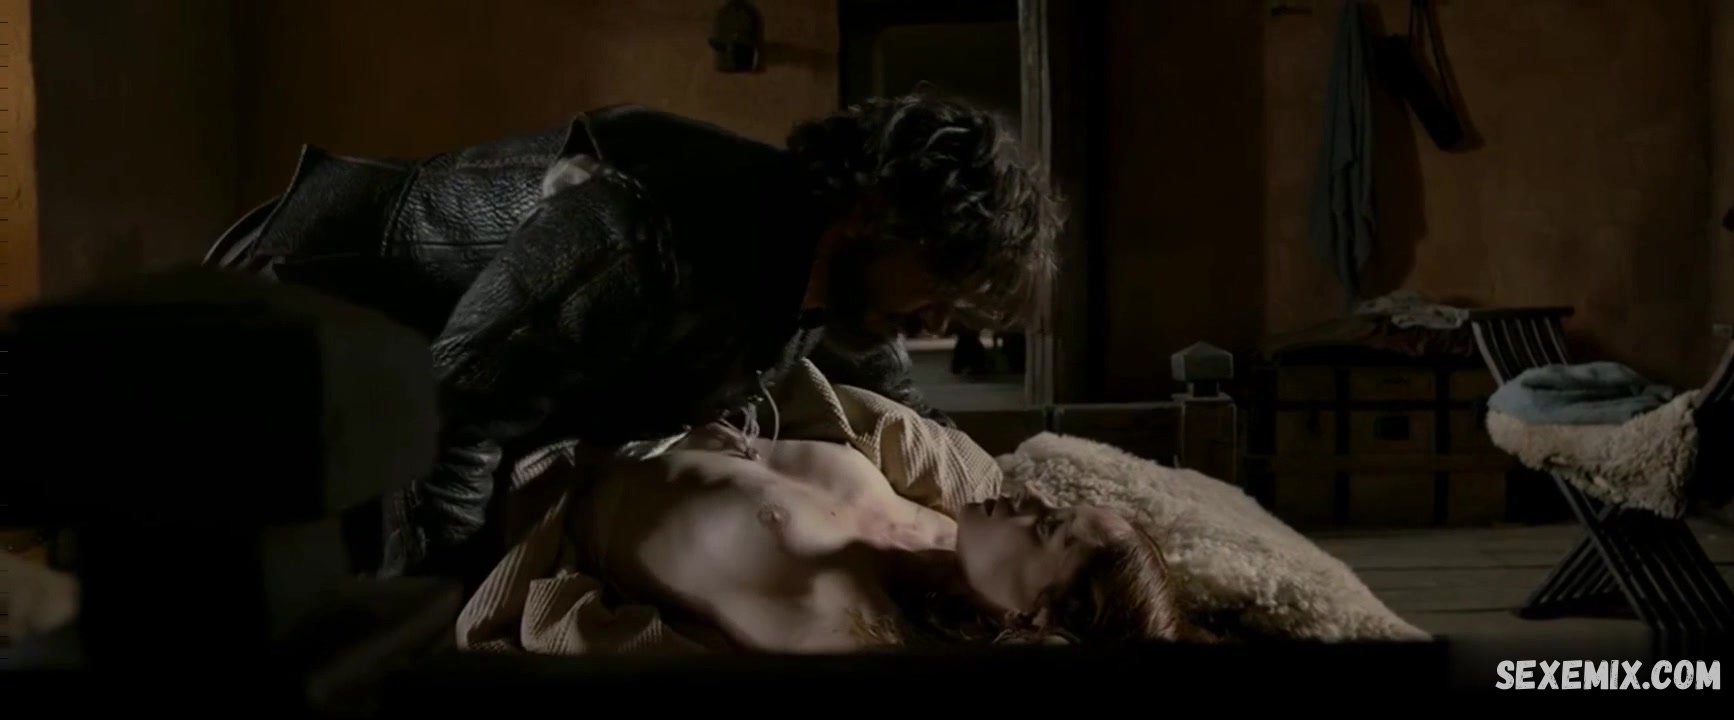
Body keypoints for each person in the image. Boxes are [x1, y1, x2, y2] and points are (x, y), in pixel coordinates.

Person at [206, 93, 1064, 582]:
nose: (941, 324)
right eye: (942, 285)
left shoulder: (829, 284)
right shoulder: (646, 234)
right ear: (877, 212)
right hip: (288, 337)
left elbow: (915, 419)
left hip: (407, 388)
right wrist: (454, 626)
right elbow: (453, 414)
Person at [564, 423, 1197, 650]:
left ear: (1034, 621)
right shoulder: (942, 533)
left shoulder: (853, 626)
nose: (1030, 494)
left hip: (563, 487)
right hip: (648, 417)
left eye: (1048, 526)